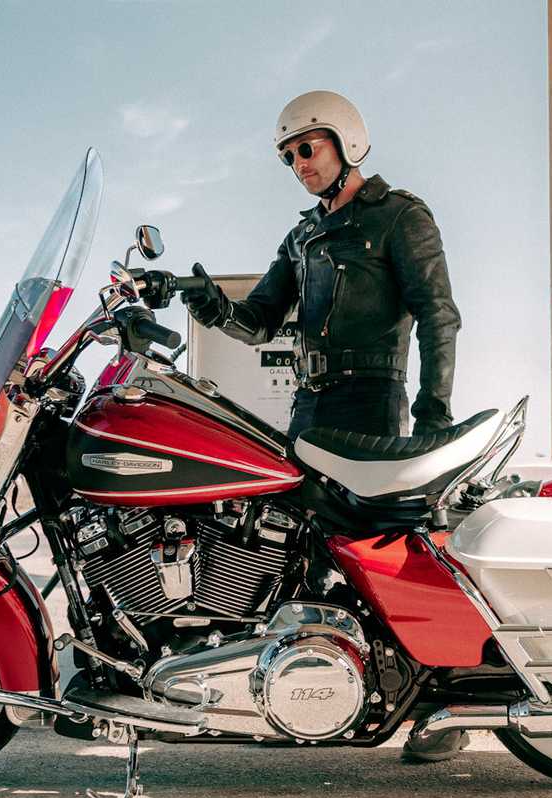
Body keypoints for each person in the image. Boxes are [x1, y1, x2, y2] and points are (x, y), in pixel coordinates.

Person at [184, 90, 468, 762]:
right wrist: (208, 304)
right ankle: (302, 694)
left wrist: (433, 418)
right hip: (310, 409)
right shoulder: (303, 236)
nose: (299, 164)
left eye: (307, 149)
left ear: (345, 142)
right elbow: (256, 322)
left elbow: (439, 316)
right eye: (288, 157)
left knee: (386, 552)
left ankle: (446, 706)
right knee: (300, 548)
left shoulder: (399, 215)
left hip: (371, 402)